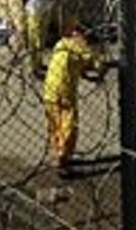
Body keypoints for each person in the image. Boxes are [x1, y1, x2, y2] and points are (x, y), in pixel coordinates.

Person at [42, 26, 103, 173]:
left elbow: (73, 64)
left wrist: (85, 74)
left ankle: (59, 153)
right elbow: (96, 64)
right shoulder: (82, 50)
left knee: (55, 125)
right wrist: (100, 70)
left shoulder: (61, 45)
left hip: (49, 90)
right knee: (69, 125)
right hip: (66, 92)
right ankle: (63, 156)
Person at [20, 0, 52, 75]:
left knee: (42, 39)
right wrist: (26, 7)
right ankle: (33, 66)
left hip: (45, 9)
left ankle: (39, 62)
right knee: (34, 40)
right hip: (34, 11)